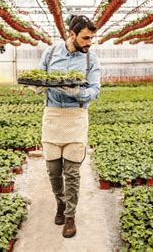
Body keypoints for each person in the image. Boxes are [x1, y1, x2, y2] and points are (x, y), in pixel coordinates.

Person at [38, 15, 100, 238]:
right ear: (72, 35)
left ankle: (71, 216)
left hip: (76, 118)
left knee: (72, 172)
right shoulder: (51, 53)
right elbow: (39, 77)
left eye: (91, 38)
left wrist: (77, 93)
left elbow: (95, 90)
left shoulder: (90, 59)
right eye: (85, 38)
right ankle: (60, 204)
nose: (89, 43)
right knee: (53, 170)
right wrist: (38, 86)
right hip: (53, 116)